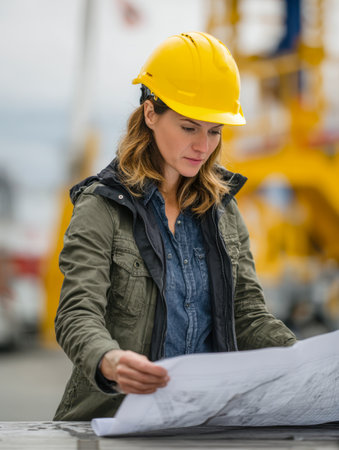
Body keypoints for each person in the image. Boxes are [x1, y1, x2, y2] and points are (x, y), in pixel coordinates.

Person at [54, 31, 296, 421]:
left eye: (214, 131)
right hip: (112, 421)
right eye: (189, 127)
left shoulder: (224, 212)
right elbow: (77, 313)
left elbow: (248, 315)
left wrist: (302, 360)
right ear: (151, 113)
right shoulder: (100, 207)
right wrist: (109, 360)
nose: (204, 146)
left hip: (203, 423)